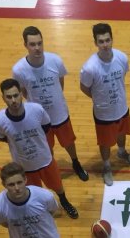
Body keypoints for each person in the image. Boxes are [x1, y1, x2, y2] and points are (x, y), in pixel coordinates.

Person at [0, 78, 78, 219]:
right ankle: (40, 212)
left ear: (21, 94)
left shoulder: (36, 110)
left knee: (57, 185)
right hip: (24, 167)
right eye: (9, 97)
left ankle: (64, 201)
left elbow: (46, 127)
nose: (13, 100)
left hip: (45, 160)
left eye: (15, 95)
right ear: (3, 98)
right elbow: (2, 138)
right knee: (33, 192)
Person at [12, 26, 88, 181]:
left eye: (40, 43)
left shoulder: (55, 60)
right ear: (25, 45)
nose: (37, 48)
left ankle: (75, 162)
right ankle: (52, 170)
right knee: (46, 147)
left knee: (69, 142)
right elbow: (22, 92)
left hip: (60, 113)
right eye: (32, 44)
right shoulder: (19, 69)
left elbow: (60, 83)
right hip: (39, 119)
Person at [80, 23, 130, 186]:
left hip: (121, 107)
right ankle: (106, 166)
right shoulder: (90, 67)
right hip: (103, 113)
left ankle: (121, 152)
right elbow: (84, 87)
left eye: (107, 40)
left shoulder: (122, 58)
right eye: (101, 42)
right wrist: (99, 98)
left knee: (121, 132)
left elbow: (122, 76)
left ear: (112, 39)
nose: (105, 45)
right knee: (105, 142)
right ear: (95, 43)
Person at [0, 162, 60, 237]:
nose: (17, 188)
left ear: (25, 180)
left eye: (19, 182)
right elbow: (6, 224)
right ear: (4, 185)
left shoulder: (45, 196)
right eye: (11, 184)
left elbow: (52, 211)